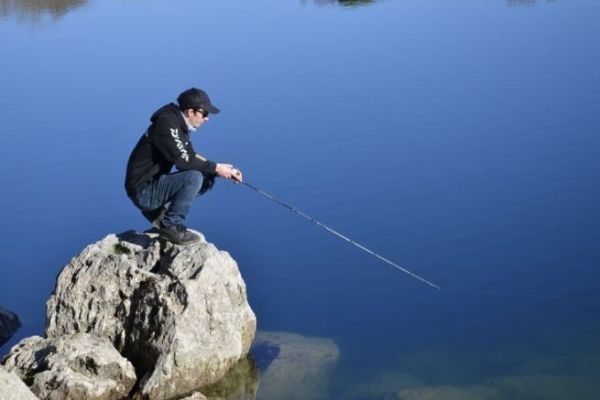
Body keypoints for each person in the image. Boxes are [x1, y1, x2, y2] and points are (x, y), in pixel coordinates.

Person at [125, 88, 242, 244]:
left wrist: (220, 169)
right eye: (204, 114)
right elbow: (183, 162)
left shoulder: (177, 123)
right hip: (143, 191)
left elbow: (191, 156)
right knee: (193, 177)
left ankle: (159, 214)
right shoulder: (168, 124)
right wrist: (216, 168)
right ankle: (169, 227)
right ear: (190, 112)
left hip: (151, 184)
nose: (207, 119)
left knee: (207, 175)